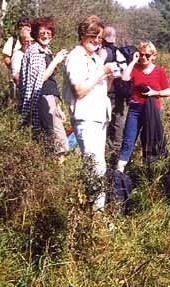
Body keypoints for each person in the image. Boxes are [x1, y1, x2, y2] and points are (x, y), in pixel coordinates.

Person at [63, 15, 119, 208]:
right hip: (85, 118)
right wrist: (102, 72)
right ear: (82, 35)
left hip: (99, 117)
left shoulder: (95, 58)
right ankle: (94, 215)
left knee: (100, 165)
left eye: (99, 37)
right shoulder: (75, 57)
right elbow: (79, 90)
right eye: (92, 36)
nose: (96, 41)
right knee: (93, 165)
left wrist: (110, 76)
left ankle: (97, 212)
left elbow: (102, 88)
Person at [19, 16, 69, 161]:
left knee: (55, 140)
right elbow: (39, 79)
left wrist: (57, 105)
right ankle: (57, 175)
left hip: (50, 99)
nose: (46, 35)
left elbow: (51, 83)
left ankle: (55, 173)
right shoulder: (34, 50)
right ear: (36, 33)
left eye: (49, 32)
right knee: (57, 140)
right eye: (42, 32)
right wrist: (56, 61)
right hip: (41, 99)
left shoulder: (46, 50)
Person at [116, 40, 170, 172]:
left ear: (153, 56)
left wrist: (154, 93)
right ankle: (119, 171)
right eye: (141, 54)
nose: (144, 57)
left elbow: (167, 91)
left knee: (149, 140)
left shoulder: (159, 72)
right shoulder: (135, 68)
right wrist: (133, 61)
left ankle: (148, 171)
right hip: (135, 109)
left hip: (152, 110)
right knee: (128, 140)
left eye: (147, 55)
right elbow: (124, 78)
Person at [97, 25, 128, 154]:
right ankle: (114, 149)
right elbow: (126, 74)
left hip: (106, 91)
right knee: (117, 121)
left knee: (103, 120)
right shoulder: (119, 52)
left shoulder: (102, 51)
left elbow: (97, 70)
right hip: (120, 91)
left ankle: (105, 148)